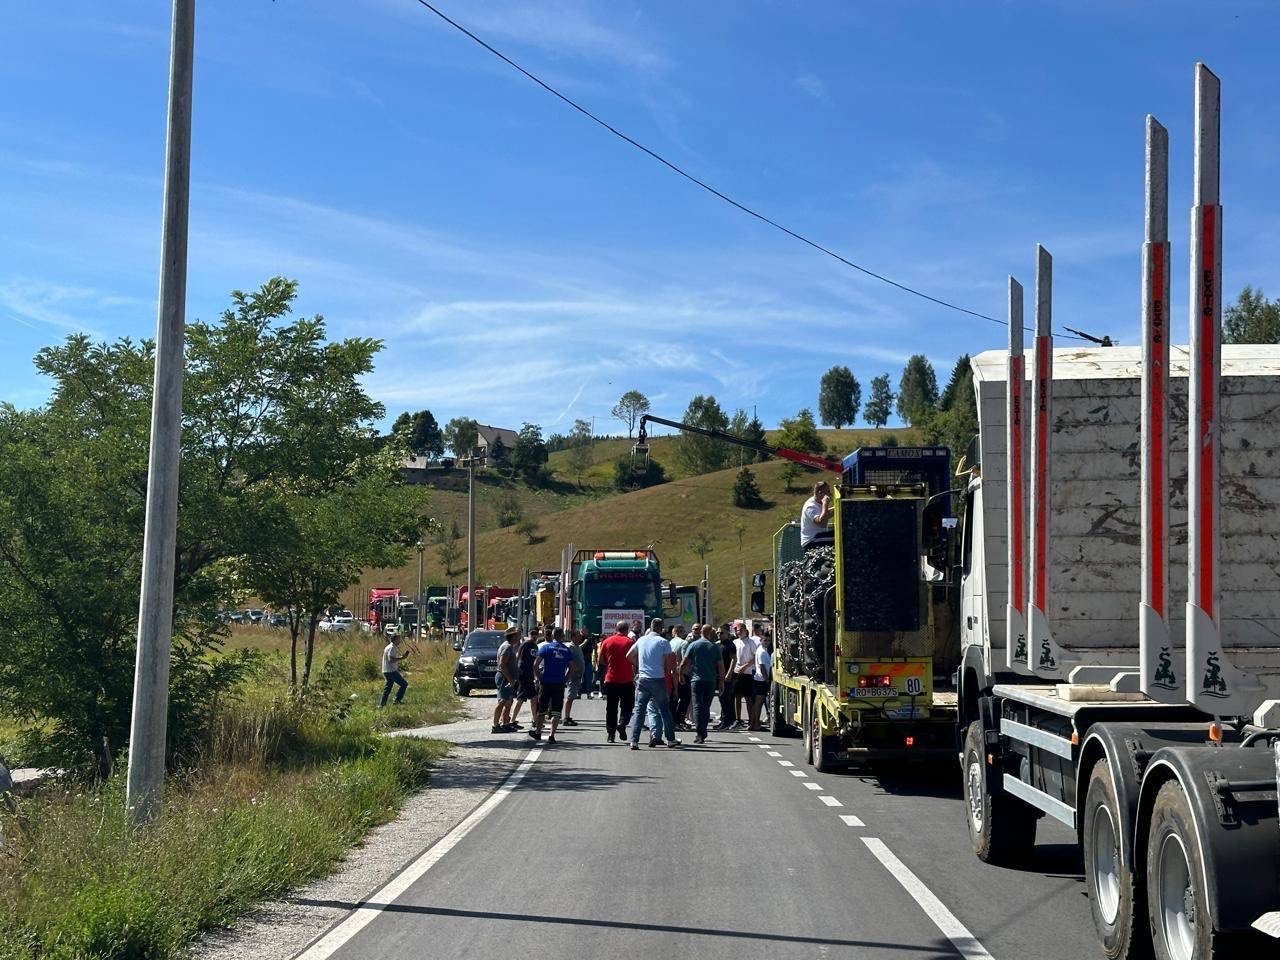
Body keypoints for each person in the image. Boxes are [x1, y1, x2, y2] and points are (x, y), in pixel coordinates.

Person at [627, 618, 681, 750]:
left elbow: (628, 656)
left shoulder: (641, 640)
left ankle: (634, 740)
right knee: (664, 710)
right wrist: (664, 668)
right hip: (658, 678)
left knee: (639, 710)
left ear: (650, 627)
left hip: (643, 678)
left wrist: (639, 665)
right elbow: (670, 664)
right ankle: (670, 739)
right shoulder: (663, 642)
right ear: (661, 628)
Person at [532, 627, 577, 745]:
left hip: (546, 682)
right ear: (562, 636)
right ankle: (551, 735)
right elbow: (573, 668)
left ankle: (538, 732)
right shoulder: (566, 650)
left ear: (552, 635)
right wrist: (566, 679)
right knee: (556, 711)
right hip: (559, 683)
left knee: (542, 709)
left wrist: (539, 677)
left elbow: (535, 664)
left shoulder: (546, 648)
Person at [683, 625, 726, 743]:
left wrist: (681, 674)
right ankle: (703, 731)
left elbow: (684, 662)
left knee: (697, 706)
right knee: (706, 707)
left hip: (696, 680)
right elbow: (721, 667)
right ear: (710, 633)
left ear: (701, 631)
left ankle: (700, 733)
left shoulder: (693, 645)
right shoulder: (714, 647)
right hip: (710, 681)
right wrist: (721, 682)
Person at [598, 620, 635, 743]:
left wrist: (610, 665)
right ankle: (623, 723)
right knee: (628, 705)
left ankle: (611, 734)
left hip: (611, 679)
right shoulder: (630, 642)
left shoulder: (607, 641)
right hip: (627, 679)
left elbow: (600, 660)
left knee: (611, 708)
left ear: (616, 628)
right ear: (627, 629)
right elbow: (635, 659)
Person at [492, 626, 521, 733]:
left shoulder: (510, 646)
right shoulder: (507, 647)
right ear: (513, 636)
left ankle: (505, 723)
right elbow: (502, 664)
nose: (519, 637)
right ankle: (495, 725)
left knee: (509, 701)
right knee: (502, 701)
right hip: (504, 678)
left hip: (508, 677)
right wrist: (510, 679)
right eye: (517, 635)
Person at [513, 628, 541, 733]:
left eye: (536, 634)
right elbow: (517, 656)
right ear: (529, 635)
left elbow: (535, 662)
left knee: (529, 698)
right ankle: (514, 719)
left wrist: (536, 675)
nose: (534, 636)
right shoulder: (525, 644)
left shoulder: (535, 646)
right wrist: (517, 669)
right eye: (532, 634)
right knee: (526, 697)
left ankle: (534, 719)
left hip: (530, 675)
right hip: (523, 674)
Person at [732, 620, 758, 728]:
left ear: (746, 631)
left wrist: (745, 666)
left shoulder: (750, 642)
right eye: (737, 631)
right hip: (737, 671)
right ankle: (738, 719)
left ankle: (751, 720)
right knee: (737, 696)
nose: (739, 632)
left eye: (741, 630)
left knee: (748, 698)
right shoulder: (735, 642)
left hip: (747, 672)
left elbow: (754, 658)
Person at [669, 624, 693, 731]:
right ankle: (679, 720)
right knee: (685, 698)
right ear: (682, 631)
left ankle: (674, 721)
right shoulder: (684, 643)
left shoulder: (669, 643)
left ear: (674, 632)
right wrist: (682, 674)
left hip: (670, 674)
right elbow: (685, 659)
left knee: (674, 698)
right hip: (681, 674)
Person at [749, 628, 773, 731]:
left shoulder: (764, 650)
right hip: (761, 680)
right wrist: (767, 680)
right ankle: (755, 723)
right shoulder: (762, 652)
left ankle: (754, 723)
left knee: (758, 703)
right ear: (760, 640)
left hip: (760, 680)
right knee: (758, 703)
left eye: (768, 640)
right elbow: (762, 668)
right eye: (765, 640)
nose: (767, 642)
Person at [714, 625, 737, 729]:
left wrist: (729, 673)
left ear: (727, 633)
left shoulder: (730, 645)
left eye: (721, 633)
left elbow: (734, 659)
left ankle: (727, 721)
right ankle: (723, 720)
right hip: (719, 675)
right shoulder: (719, 644)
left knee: (725, 699)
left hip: (726, 675)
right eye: (718, 633)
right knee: (721, 699)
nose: (719, 635)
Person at [562, 631, 586, 726]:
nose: (580, 638)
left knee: (572, 697)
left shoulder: (578, 647)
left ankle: (567, 716)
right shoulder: (570, 647)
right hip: (572, 676)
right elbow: (567, 660)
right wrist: (573, 668)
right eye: (578, 636)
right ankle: (565, 718)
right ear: (573, 637)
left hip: (578, 676)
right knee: (569, 697)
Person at [801, 480, 834, 549]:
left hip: (819, 536)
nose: (830, 494)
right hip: (811, 540)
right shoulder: (810, 506)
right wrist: (825, 503)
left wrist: (838, 507)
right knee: (840, 536)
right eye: (827, 492)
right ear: (820, 493)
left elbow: (825, 516)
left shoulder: (818, 503)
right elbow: (821, 523)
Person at [380, 634, 409, 707]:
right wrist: (402, 658)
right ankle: (397, 700)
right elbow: (391, 659)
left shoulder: (389, 647)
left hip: (386, 670)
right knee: (404, 684)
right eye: (399, 639)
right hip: (391, 671)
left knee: (388, 688)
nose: (400, 640)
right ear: (395, 640)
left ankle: (382, 705)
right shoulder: (392, 647)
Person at [580, 632, 599, 698]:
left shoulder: (590, 640)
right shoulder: (580, 640)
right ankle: (579, 693)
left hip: (588, 662)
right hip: (581, 662)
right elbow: (578, 648)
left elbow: (595, 648)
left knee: (589, 679)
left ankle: (589, 694)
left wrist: (594, 642)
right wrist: (584, 643)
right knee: (580, 678)